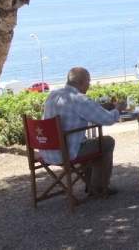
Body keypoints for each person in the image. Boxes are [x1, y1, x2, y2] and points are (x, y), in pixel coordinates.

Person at [41, 67, 123, 196]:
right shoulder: (79, 99)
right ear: (81, 82)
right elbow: (107, 119)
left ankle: (91, 185)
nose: (89, 84)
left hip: (48, 151)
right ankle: (99, 187)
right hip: (68, 153)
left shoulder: (52, 95)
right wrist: (118, 109)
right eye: (88, 81)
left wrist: (99, 107)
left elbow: (77, 113)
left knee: (91, 144)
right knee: (107, 142)